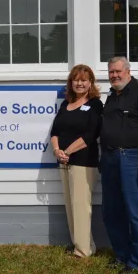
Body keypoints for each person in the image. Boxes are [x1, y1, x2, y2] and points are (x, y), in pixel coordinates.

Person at [100, 57, 138, 274]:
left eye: (117, 71)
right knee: (112, 211)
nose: (114, 75)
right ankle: (122, 254)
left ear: (128, 71)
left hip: (133, 158)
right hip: (110, 158)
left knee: (137, 212)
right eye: (111, 72)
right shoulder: (112, 95)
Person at [50, 64, 103, 257]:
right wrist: (57, 150)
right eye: (76, 79)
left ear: (90, 83)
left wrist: (68, 151)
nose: (79, 83)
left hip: (83, 162)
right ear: (71, 82)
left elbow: (91, 134)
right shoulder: (66, 104)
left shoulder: (95, 104)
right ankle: (83, 245)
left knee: (81, 207)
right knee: (71, 206)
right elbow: (55, 131)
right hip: (64, 161)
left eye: (83, 80)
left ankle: (82, 252)